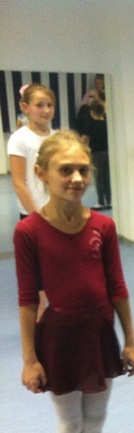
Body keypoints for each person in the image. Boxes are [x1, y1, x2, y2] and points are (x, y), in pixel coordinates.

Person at [14, 130, 134, 433]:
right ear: (41, 173)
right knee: (70, 423)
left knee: (96, 419)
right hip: (59, 340)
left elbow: (117, 287)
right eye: (66, 170)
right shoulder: (29, 232)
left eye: (83, 170)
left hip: (99, 334)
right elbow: (28, 301)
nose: (76, 178)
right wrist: (30, 360)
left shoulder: (104, 226)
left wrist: (130, 341)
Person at [8, 83, 56, 321]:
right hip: (34, 215)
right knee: (37, 278)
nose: (46, 110)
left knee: (56, 270)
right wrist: (37, 216)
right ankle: (38, 324)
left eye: (50, 105)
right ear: (25, 107)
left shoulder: (57, 138)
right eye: (40, 105)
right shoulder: (19, 139)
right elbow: (19, 183)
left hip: (57, 214)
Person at [82, 99, 111, 209]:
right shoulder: (107, 124)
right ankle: (109, 201)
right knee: (107, 177)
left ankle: (101, 202)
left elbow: (84, 140)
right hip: (107, 153)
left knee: (99, 179)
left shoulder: (90, 124)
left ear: (92, 112)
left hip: (96, 154)